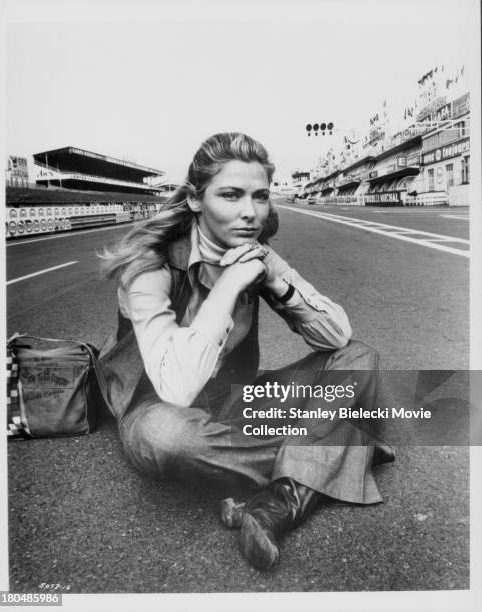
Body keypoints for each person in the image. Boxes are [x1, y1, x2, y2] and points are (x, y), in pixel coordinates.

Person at [99, 132, 394, 570]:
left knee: (358, 359)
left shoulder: (259, 253)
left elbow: (336, 337)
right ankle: (345, 447)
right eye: (231, 195)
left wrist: (275, 281)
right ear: (197, 200)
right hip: (156, 409)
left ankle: (276, 501)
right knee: (170, 439)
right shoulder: (149, 265)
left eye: (260, 197)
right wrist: (232, 282)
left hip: (236, 402)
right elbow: (176, 388)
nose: (250, 212)